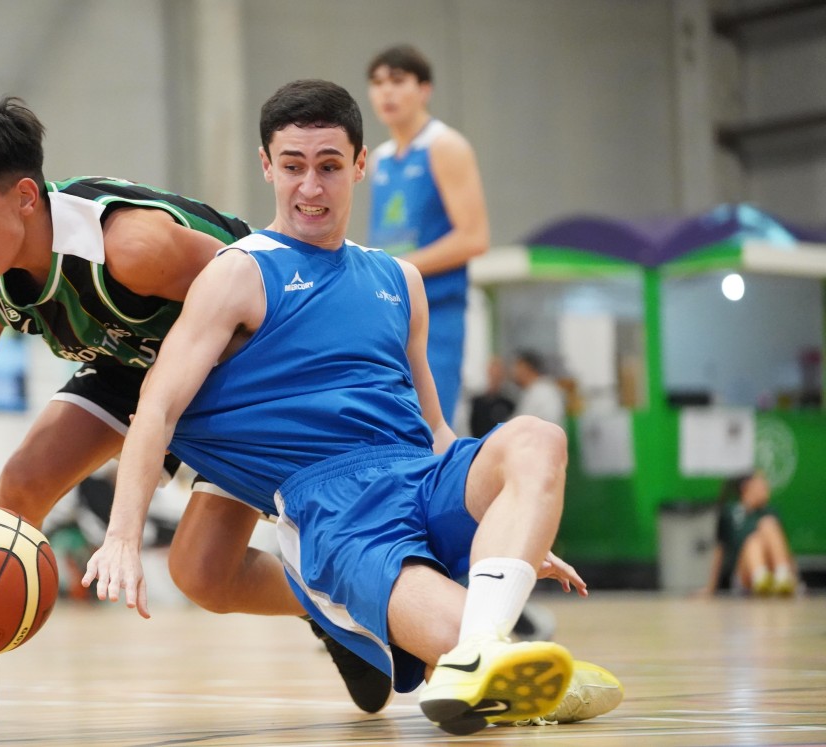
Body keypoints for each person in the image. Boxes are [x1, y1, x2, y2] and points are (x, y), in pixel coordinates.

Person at [83, 79, 622, 736]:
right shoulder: (239, 273)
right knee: (453, 625)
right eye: (293, 166)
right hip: (338, 514)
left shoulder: (401, 279)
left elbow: (436, 428)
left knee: (537, 436)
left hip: (422, 475)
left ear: (361, 166)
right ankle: (484, 653)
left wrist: (519, 522)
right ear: (267, 167)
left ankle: (482, 655)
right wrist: (121, 535)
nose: (311, 187)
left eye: (330, 166)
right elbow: (157, 409)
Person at [0, 97, 380, 727]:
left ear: (26, 196)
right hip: (130, 364)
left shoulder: (134, 246)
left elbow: (263, 299)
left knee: (204, 576)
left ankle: (356, 609)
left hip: (241, 364)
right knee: (21, 482)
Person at [367, 44, 490, 424]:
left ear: (424, 89)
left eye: (398, 81)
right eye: (377, 83)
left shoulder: (445, 146)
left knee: (429, 430)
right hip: (391, 313)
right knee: (383, 427)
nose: (385, 92)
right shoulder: (379, 159)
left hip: (437, 314)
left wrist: (395, 267)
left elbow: (474, 237)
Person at [703, 471, 801, 596]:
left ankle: (783, 577)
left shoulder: (770, 512)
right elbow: (719, 551)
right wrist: (710, 588)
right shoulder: (729, 514)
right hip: (744, 575)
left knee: (768, 524)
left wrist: (794, 574)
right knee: (753, 542)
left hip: (772, 572)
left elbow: (782, 548)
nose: (766, 488)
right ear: (746, 487)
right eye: (761, 484)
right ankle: (760, 579)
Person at [511, 349, 567, 427]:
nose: (514, 372)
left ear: (526, 368)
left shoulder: (545, 392)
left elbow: (551, 421)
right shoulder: (530, 391)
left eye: (517, 367)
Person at [469, 356, 517, 439]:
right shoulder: (477, 401)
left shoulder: (509, 402)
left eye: (498, 373)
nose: (495, 376)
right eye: (493, 372)